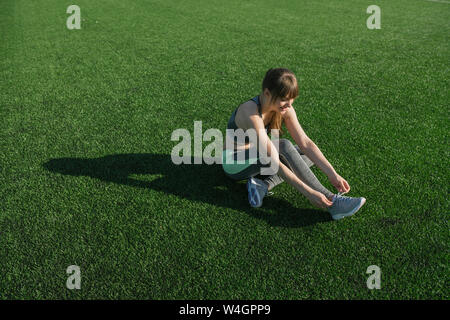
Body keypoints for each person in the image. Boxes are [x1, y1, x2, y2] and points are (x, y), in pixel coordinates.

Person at [221, 68, 366, 220]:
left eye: (291, 100)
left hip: (256, 157)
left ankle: (261, 185)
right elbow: (273, 160)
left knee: (306, 155)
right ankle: (333, 202)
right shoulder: (249, 112)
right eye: (284, 99)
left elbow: (306, 143)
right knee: (283, 146)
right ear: (267, 93)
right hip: (234, 163)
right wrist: (308, 192)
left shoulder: (284, 107)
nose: (289, 105)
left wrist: (332, 173)